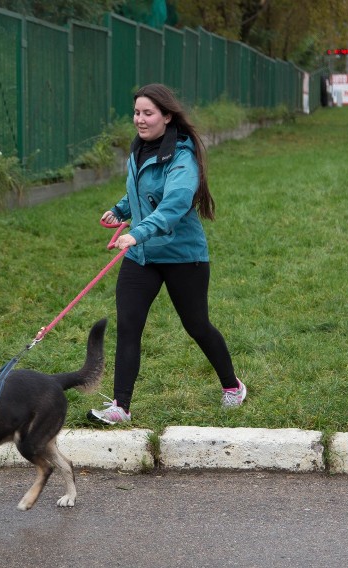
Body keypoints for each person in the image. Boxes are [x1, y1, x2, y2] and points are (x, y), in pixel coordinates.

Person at [88, 83, 246, 425]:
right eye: (136, 113)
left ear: (167, 116)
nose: (140, 120)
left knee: (196, 325)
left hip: (181, 256)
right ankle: (121, 407)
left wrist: (136, 234)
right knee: (128, 327)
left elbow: (173, 204)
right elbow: (142, 193)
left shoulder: (182, 157)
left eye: (148, 113)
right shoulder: (140, 149)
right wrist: (120, 210)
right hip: (142, 257)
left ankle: (232, 386)